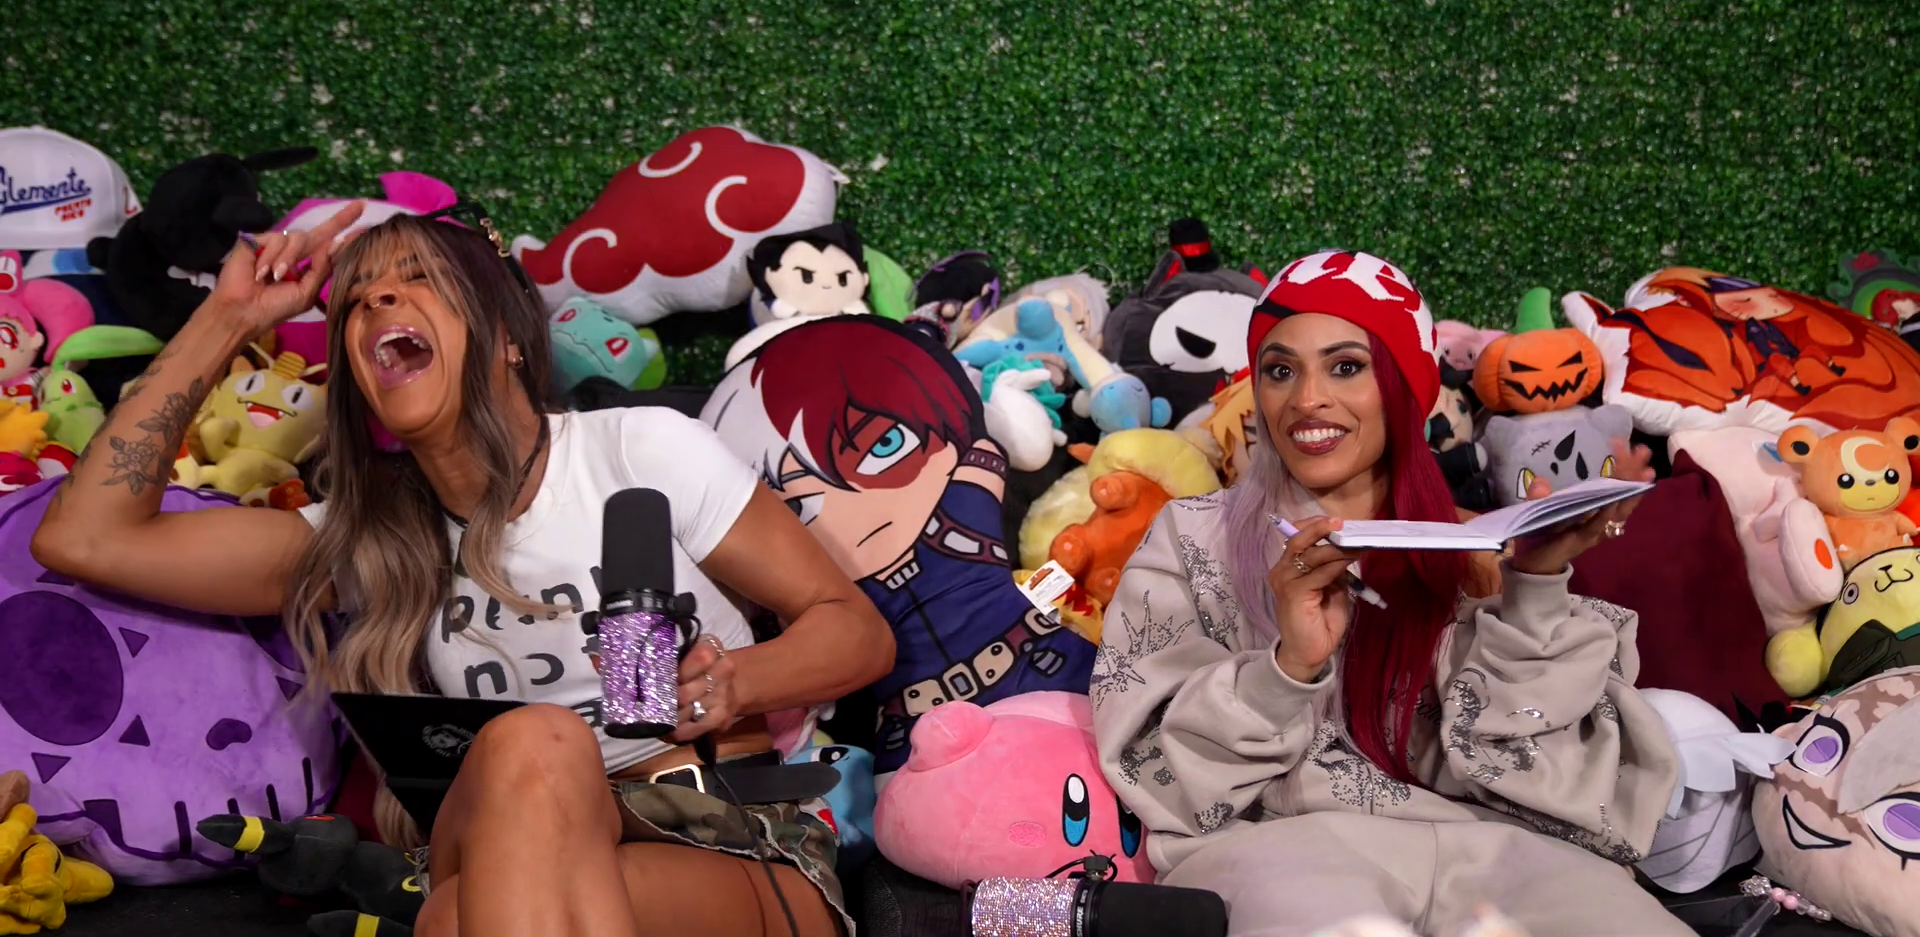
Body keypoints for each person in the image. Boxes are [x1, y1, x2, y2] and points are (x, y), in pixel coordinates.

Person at [32, 202, 894, 937]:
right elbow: (87, 540)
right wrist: (228, 319)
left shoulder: (639, 451)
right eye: (357, 300)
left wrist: (737, 682)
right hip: (496, 829)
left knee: (456, 916)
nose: (378, 300)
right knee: (533, 744)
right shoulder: (366, 536)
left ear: (508, 337)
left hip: (725, 832)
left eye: (418, 280)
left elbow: (855, 631)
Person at [1090, 250, 1688, 937]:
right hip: (1288, 850)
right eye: (1280, 370)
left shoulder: (1478, 548)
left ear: (1407, 385)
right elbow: (1157, 776)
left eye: (1346, 367)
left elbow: (1548, 778)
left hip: (1502, 850)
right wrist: (1288, 668)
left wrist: (1537, 586)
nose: (1307, 399)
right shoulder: (1195, 538)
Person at [701, 315, 1096, 774]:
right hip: (917, 738)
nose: (837, 503)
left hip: (1049, 664)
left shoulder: (967, 492)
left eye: (883, 446)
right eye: (794, 507)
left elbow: (994, 452)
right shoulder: (807, 602)